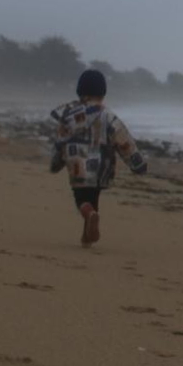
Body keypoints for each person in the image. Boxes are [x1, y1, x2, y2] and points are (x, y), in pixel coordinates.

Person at [48, 69, 148, 247]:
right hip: (102, 166)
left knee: (81, 198)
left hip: (77, 165)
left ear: (80, 91)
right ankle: (87, 236)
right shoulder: (107, 115)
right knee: (94, 197)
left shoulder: (69, 116)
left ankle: (88, 215)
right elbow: (123, 139)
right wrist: (136, 163)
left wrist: (56, 163)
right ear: (103, 93)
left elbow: (61, 141)